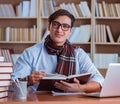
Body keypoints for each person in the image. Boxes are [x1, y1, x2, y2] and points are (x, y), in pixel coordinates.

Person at [11, 9, 104, 93]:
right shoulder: (30, 53)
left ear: (70, 31)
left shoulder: (79, 54)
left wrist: (81, 88)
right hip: (39, 101)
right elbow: (12, 85)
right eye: (56, 24)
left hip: (72, 101)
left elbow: (99, 80)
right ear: (49, 26)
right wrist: (28, 80)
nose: (59, 30)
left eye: (65, 26)